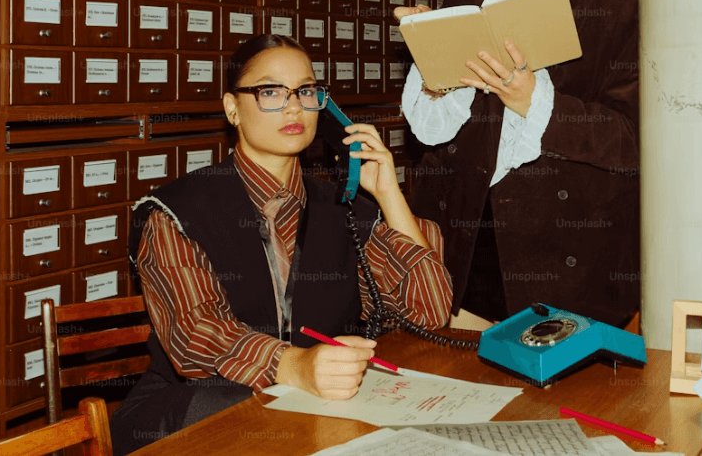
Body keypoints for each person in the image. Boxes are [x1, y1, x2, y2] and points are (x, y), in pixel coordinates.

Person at [110, 34, 452, 455]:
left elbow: (431, 311)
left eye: (306, 91)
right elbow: (195, 334)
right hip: (195, 412)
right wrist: (295, 365)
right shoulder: (175, 212)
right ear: (232, 108)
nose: (293, 106)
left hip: (312, 410)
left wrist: (388, 195)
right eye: (270, 91)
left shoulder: (341, 207)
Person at [396, 0, 639, 329]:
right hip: (466, 231)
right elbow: (446, 111)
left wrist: (532, 99)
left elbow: (629, 138)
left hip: (563, 246)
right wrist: (434, 68)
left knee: (554, 402)